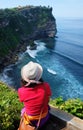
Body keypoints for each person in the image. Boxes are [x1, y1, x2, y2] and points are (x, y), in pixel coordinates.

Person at [18, 61, 52, 129]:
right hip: (43, 118)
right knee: (48, 107)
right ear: (39, 76)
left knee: (23, 110)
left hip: (30, 120)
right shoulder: (46, 86)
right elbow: (48, 98)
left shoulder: (21, 90)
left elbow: (22, 101)